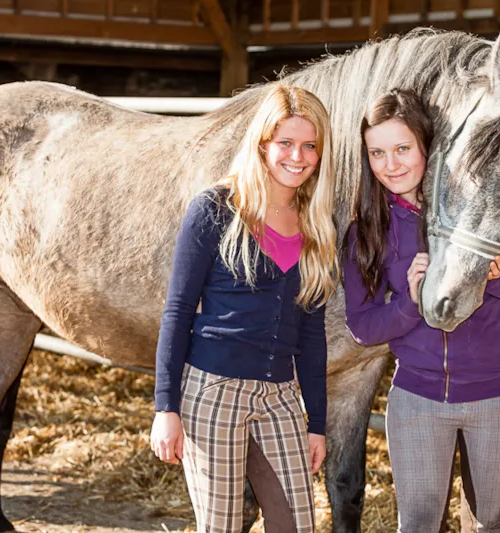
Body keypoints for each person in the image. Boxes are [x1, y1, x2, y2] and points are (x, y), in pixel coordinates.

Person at [343, 89, 500, 533]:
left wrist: (493, 276)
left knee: (491, 523)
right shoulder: (368, 230)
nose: (390, 165)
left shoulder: (488, 205)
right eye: (377, 153)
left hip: (499, 395)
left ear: (427, 146)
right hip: (418, 397)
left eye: (402, 148)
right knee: (417, 525)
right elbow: (362, 326)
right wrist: (412, 303)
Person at [150, 82, 338, 533]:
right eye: (286, 143)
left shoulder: (317, 225)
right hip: (213, 391)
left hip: (281, 397)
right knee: (222, 526)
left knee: (296, 524)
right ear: (262, 143)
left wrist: (316, 423)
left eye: (310, 146)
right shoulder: (216, 209)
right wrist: (165, 407)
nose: (298, 156)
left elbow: (312, 338)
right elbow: (178, 311)